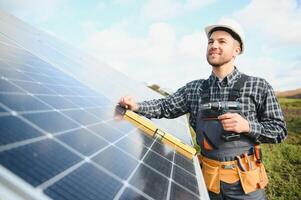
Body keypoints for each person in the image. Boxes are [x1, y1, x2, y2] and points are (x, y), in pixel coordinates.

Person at [119, 19, 287, 200]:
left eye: (222, 41)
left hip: (246, 185)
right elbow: (164, 107)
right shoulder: (195, 89)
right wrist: (136, 106)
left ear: (236, 50)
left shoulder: (258, 86)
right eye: (211, 41)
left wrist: (247, 126)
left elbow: (279, 131)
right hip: (209, 183)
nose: (214, 45)